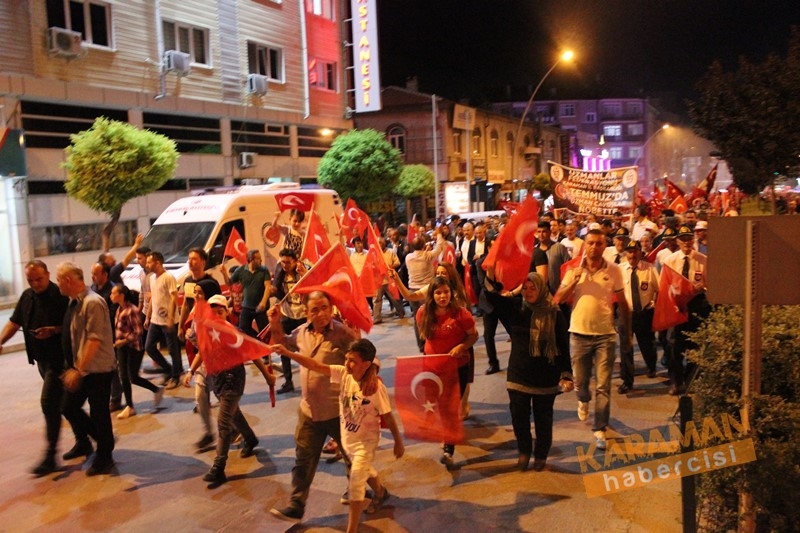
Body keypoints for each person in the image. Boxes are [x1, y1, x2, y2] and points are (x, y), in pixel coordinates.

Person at [270, 338, 403, 532]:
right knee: (366, 471)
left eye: (352, 361)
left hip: (365, 442)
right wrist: (288, 353)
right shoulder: (344, 374)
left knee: (356, 481)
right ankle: (381, 493)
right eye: (347, 359)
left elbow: (389, 418)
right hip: (348, 439)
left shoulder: (375, 389)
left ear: (366, 365)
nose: (347, 364)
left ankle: (352, 530)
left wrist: (398, 442)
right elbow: (315, 365)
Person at [267, 290, 378, 523]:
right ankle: (296, 504)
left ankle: (366, 490)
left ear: (331, 308)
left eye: (325, 307)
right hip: (309, 411)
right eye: (315, 309)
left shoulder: (342, 333)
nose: (321, 313)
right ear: (306, 313)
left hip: (339, 411)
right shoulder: (301, 332)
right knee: (303, 460)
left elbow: (370, 357)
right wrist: (274, 321)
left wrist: (371, 374)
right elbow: (281, 343)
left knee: (353, 456)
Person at [183, 294, 275, 486]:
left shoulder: (233, 332)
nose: (217, 314)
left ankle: (218, 467)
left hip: (234, 381)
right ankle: (250, 439)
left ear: (227, 312)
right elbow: (202, 352)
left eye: (220, 311)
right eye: (213, 311)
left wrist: (267, 377)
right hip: (216, 380)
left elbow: (252, 352)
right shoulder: (207, 331)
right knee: (234, 415)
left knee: (223, 422)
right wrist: (190, 371)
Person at [485, 271, 573, 471]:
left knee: (543, 418)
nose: (529, 291)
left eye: (533, 287)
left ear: (542, 288)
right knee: (518, 415)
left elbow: (562, 346)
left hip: (546, 376)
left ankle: (541, 453)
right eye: (525, 287)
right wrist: (490, 275)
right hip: (519, 373)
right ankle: (524, 450)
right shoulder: (516, 309)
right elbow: (490, 297)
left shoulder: (555, 313)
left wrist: (566, 373)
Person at [554, 229, 631, 451]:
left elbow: (624, 304)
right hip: (579, 334)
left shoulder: (614, 270)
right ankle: (582, 399)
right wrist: (573, 281)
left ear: (604, 245)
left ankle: (600, 429)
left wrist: (627, 334)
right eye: (591, 243)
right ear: (584, 245)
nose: (594, 247)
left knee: (604, 386)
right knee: (581, 382)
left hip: (605, 336)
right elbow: (559, 299)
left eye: (599, 243)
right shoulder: (573, 270)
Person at [0, 260, 75, 476]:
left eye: (38, 279)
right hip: (41, 361)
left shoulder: (60, 296)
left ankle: (51, 456)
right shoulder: (27, 296)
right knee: (64, 405)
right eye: (30, 280)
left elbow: (72, 326)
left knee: (49, 403)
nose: (35, 283)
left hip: (59, 360)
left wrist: (53, 330)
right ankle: (90, 439)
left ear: (48, 274)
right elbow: (14, 323)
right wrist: (1, 341)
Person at [56, 262, 118, 476]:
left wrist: (78, 370)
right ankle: (98, 440)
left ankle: (105, 456)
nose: (58, 285)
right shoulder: (74, 302)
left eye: (58, 280)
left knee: (99, 412)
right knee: (68, 406)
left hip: (97, 369)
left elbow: (93, 339)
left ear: (67, 280)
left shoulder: (92, 303)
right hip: (82, 367)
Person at [416, 276, 479, 468]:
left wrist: (462, 347)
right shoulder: (423, 313)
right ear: (432, 295)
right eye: (438, 292)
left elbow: (473, 336)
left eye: (445, 292)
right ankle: (447, 434)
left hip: (456, 368)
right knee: (438, 405)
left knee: (450, 408)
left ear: (451, 293)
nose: (442, 296)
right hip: (432, 368)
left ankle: (448, 450)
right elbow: (424, 336)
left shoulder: (461, 314)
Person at [662, 225, 711, 395]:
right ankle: (676, 381)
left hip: (697, 306)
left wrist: (703, 287)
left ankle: (692, 381)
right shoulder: (670, 261)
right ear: (678, 241)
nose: (686, 242)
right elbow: (664, 286)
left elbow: (710, 285)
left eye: (689, 238)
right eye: (683, 239)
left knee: (695, 345)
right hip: (677, 306)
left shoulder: (703, 260)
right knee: (674, 345)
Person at [110, 283, 165, 419]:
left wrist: (124, 340)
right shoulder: (119, 309)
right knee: (123, 376)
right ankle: (130, 406)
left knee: (132, 377)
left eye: (113, 293)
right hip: (121, 348)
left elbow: (139, 331)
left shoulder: (131, 310)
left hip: (133, 348)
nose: (111, 296)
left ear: (121, 295)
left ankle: (156, 389)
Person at [183, 279, 223, 451]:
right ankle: (209, 432)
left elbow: (214, 341)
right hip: (203, 362)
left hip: (218, 363)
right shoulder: (195, 310)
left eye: (200, 292)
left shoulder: (216, 312)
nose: (196, 295)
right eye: (195, 292)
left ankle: (240, 431)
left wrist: (193, 337)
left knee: (225, 399)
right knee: (200, 396)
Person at [618, 240, 660, 393]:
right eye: (629, 251)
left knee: (647, 344)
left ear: (640, 252)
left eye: (635, 251)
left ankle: (651, 365)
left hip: (644, 313)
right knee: (626, 349)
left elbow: (659, 288)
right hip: (626, 314)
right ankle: (627, 381)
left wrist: (655, 302)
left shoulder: (649, 269)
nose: (632, 254)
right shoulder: (619, 270)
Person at [143, 251, 182, 388]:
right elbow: (154, 297)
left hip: (168, 321)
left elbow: (174, 298)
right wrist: (147, 317)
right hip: (155, 320)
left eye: (149, 262)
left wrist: (171, 318)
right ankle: (169, 370)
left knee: (173, 350)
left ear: (158, 263)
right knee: (149, 347)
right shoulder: (152, 278)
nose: (147, 264)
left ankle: (176, 377)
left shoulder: (168, 277)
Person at [272, 248, 308, 394]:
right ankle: (288, 381)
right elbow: (277, 294)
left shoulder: (302, 273)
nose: (285, 265)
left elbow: (311, 285)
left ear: (295, 261)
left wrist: (303, 273)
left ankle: (310, 379)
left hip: (302, 316)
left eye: (288, 262)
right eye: (283, 262)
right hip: (287, 316)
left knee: (306, 350)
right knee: (284, 350)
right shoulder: (280, 276)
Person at [405, 230, 445, 352]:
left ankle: (421, 345)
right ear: (424, 245)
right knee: (430, 316)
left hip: (413, 290)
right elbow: (440, 246)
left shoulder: (408, 257)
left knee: (417, 318)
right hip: (426, 290)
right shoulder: (428, 256)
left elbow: (419, 255)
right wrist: (438, 234)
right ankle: (430, 341)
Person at [221, 249, 272, 338]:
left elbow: (268, 286)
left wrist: (263, 302)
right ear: (251, 260)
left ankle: (266, 349)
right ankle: (257, 341)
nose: (261, 261)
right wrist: (224, 273)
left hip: (260, 308)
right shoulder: (240, 270)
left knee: (265, 331)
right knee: (242, 328)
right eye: (258, 259)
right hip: (247, 306)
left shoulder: (264, 270)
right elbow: (229, 283)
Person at [373, 237, 404, 323]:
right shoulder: (373, 253)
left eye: (382, 242)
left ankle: (401, 312)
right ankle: (377, 318)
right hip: (378, 280)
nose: (380, 244)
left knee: (394, 297)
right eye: (379, 243)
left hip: (389, 279)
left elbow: (397, 262)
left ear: (385, 243)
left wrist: (389, 267)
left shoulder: (391, 252)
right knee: (377, 299)